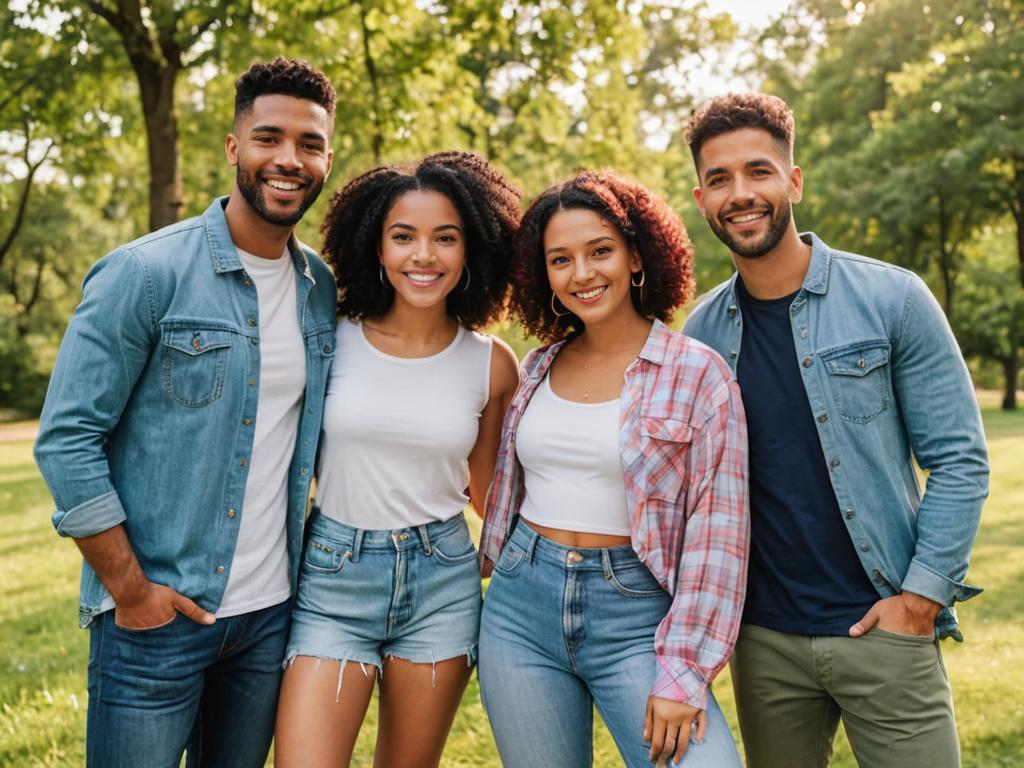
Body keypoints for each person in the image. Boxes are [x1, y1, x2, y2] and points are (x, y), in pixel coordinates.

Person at [32, 58, 338, 767]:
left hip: (268, 621)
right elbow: (67, 439)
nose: (288, 159)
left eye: (310, 144)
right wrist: (130, 591)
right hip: (156, 620)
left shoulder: (319, 286)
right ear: (233, 148)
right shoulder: (145, 273)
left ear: (326, 157)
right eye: (268, 138)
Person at [682, 92, 990, 768]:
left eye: (759, 171)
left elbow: (961, 460)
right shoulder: (699, 336)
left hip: (886, 625)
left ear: (793, 180)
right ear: (701, 200)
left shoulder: (893, 299)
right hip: (763, 644)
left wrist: (919, 600)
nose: (741, 193)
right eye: (719, 179)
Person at [477, 170, 748, 768]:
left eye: (600, 251)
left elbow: (718, 536)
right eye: (560, 259)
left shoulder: (697, 373)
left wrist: (683, 672)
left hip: (637, 616)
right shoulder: (537, 366)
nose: (582, 273)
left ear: (636, 256)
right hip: (521, 607)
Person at [273, 151, 520, 768]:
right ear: (376, 248)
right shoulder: (329, 340)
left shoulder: (491, 364)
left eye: (446, 238)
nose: (423, 256)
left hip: (442, 581)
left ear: (471, 251)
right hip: (334, 576)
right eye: (403, 237)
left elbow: (489, 495)